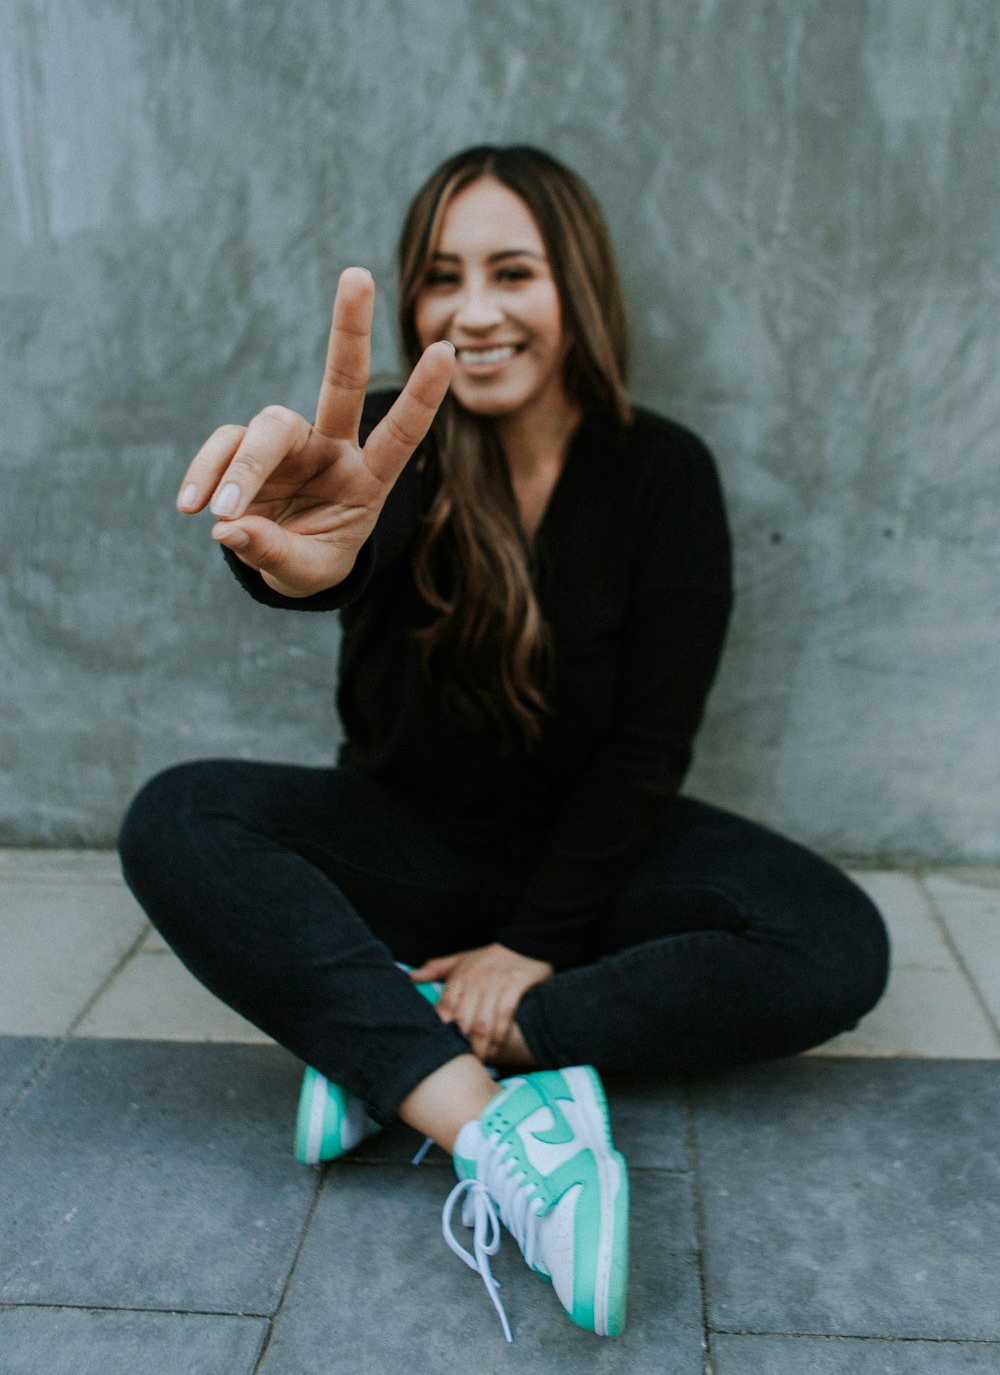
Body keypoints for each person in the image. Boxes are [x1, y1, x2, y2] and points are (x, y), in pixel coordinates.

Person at [119, 144, 889, 1342]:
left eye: (512, 272)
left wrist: (534, 949)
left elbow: (648, 746)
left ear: (573, 289)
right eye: (442, 276)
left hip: (594, 851)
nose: (473, 312)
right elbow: (330, 555)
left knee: (831, 940)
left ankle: (386, 1041)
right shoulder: (385, 443)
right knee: (176, 816)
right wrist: (297, 569)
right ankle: (490, 1127)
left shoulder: (661, 473)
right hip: (406, 846)